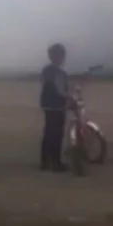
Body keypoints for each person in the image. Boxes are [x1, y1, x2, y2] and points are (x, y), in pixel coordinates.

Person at [39, 43, 70, 172]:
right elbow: (60, 90)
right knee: (57, 134)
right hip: (57, 105)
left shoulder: (46, 70)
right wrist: (68, 98)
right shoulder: (59, 72)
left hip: (48, 105)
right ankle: (56, 163)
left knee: (48, 133)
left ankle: (45, 162)